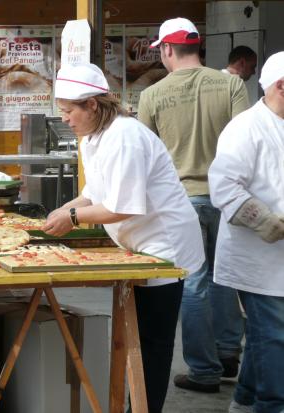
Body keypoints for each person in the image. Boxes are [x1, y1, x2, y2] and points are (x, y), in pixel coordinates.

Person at [43, 63, 204, 413]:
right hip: (137, 246)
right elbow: (92, 195)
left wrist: (70, 218)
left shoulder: (125, 136)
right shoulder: (93, 139)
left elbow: (123, 207)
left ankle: (145, 408)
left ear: (93, 106)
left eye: (69, 112)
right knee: (133, 335)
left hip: (165, 246)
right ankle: (133, 404)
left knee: (152, 342)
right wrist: (53, 215)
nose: (66, 120)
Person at [137, 17, 250, 393]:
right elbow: (243, 145)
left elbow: (145, 157)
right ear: (196, 46)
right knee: (226, 278)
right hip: (227, 197)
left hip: (179, 201)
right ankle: (228, 353)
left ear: (167, 49)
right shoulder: (232, 85)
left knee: (193, 284)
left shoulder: (151, 96)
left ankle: (204, 370)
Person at [209, 51, 284, 413]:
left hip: (279, 258)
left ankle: (245, 401)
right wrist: (266, 221)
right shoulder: (246, 127)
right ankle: (272, 404)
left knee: (263, 334)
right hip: (255, 256)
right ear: (281, 87)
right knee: (275, 336)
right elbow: (223, 186)